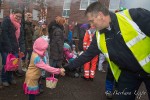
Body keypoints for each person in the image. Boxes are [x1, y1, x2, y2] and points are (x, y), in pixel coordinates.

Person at [65, 1, 150, 100]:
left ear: (100, 15)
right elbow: (87, 55)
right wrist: (68, 67)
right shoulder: (98, 36)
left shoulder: (132, 16)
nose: (91, 25)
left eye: (92, 21)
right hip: (128, 74)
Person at [1, 8, 25, 87]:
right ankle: (4, 79)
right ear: (13, 14)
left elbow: (21, 38)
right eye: (17, 16)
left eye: (20, 17)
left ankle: (10, 78)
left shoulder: (19, 25)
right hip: (6, 48)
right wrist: (9, 48)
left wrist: (22, 49)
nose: (18, 18)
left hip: (15, 48)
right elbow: (4, 35)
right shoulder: (7, 21)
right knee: (6, 63)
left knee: (13, 64)